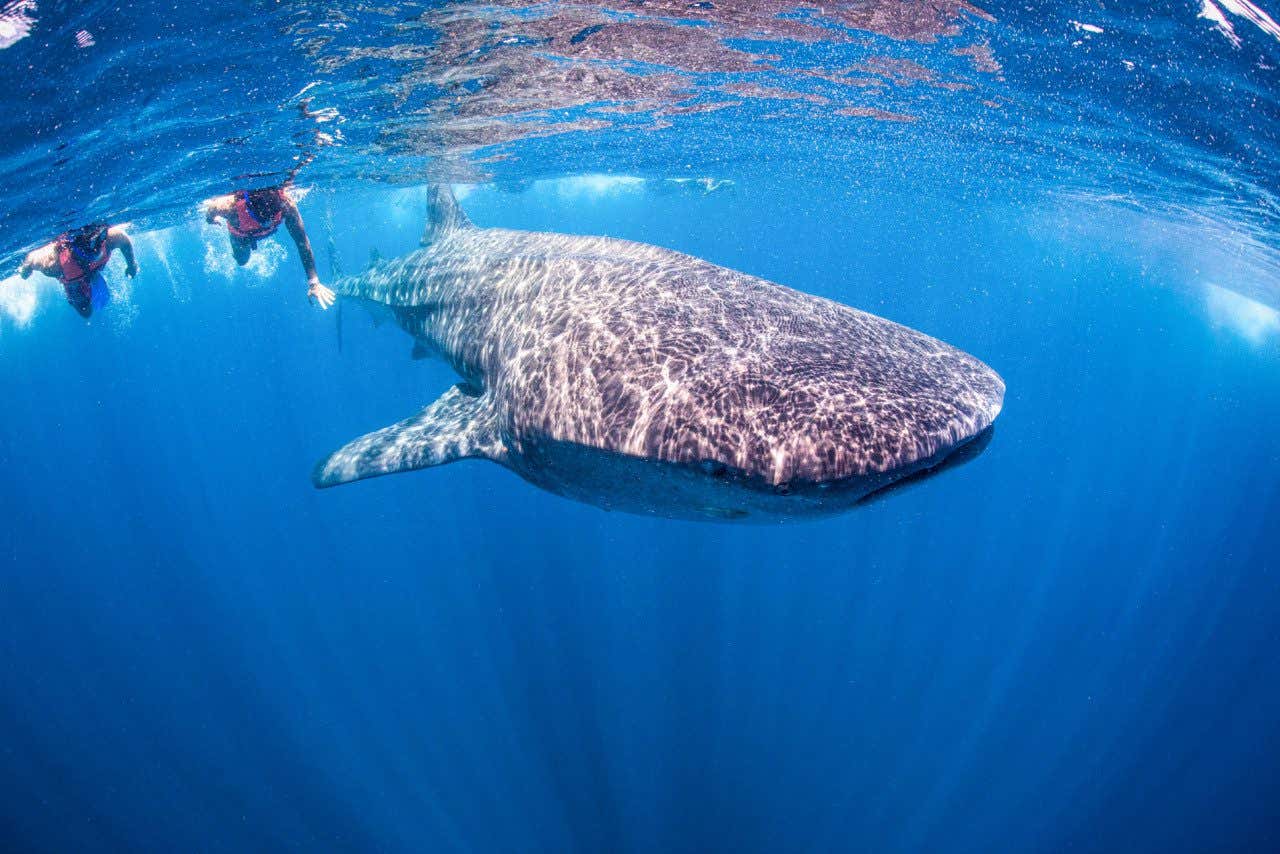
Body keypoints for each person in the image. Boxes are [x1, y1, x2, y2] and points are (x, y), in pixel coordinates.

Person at [203, 185, 335, 309]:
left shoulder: (286, 205)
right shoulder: (229, 208)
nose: (268, 221)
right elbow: (210, 211)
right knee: (242, 261)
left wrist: (314, 283)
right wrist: (211, 220)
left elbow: (302, 243)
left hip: (253, 229)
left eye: (272, 216)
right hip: (241, 235)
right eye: (263, 219)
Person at [17, 223, 138, 319]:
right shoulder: (55, 265)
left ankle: (81, 297)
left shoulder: (106, 241)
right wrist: (26, 268)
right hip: (73, 278)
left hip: (79, 273)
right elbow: (33, 257)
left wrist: (131, 264)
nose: (94, 252)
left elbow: (123, 238)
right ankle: (79, 299)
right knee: (84, 309)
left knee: (85, 310)